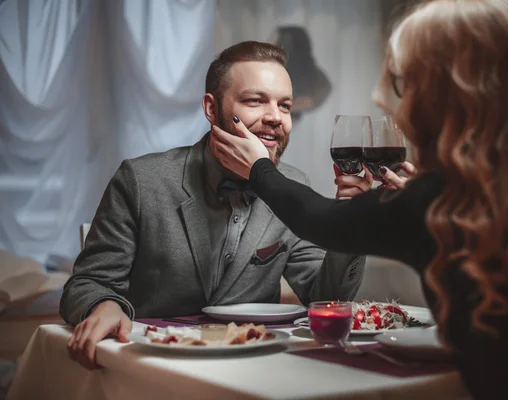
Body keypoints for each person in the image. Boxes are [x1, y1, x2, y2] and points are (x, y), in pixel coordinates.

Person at [210, 1, 508, 399]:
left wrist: (259, 169)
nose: (397, 105)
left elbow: (320, 219)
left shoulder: (435, 202)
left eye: (406, 86)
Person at [60, 41, 367, 370]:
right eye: (255, 100)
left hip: (256, 367)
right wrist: (103, 304)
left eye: (285, 106)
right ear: (211, 108)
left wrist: (352, 221)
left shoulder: (294, 187)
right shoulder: (140, 180)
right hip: (156, 368)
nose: (276, 118)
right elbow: (86, 283)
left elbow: (327, 297)